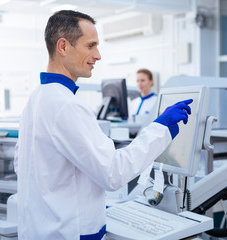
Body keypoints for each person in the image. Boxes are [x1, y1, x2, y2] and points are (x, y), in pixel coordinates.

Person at [14, 10, 192, 240]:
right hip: (69, 234)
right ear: (63, 46)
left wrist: (88, 202)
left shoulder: (37, 98)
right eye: (90, 46)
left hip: (41, 230)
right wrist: (162, 128)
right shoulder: (67, 105)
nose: (97, 55)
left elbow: (26, 167)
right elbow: (113, 173)